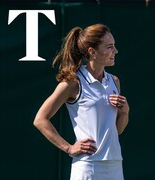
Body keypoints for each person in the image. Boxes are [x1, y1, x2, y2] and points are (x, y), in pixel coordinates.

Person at [33, 24, 129, 180]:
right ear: (92, 52)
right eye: (110, 47)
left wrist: (125, 111)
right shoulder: (73, 83)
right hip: (87, 167)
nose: (115, 51)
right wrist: (69, 148)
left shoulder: (114, 81)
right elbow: (40, 119)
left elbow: (116, 130)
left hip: (115, 165)